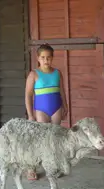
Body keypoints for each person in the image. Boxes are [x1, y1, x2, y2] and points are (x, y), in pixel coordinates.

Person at [25, 44, 68, 180]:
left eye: (49, 58)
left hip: (56, 109)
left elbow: (62, 91)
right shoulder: (34, 74)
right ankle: (32, 168)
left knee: (54, 139)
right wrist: (31, 114)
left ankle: (53, 167)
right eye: (43, 57)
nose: (46, 60)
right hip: (41, 111)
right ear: (38, 58)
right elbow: (28, 95)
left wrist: (65, 106)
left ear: (52, 58)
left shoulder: (57, 73)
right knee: (40, 140)